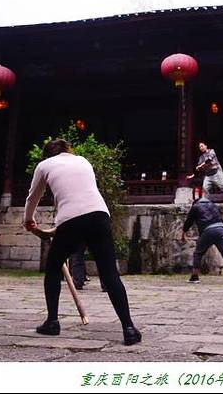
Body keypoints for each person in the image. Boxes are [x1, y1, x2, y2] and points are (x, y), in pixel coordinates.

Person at [24, 139, 141, 345]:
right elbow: (80, 196)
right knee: (109, 273)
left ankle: (52, 322)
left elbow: (33, 196)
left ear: (47, 154)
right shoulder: (83, 161)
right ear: (67, 150)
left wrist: (28, 220)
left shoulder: (44, 165)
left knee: (53, 267)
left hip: (70, 220)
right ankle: (129, 328)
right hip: (99, 215)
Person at [181, 196, 223, 285]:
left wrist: (183, 232)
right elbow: (220, 219)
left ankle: (195, 276)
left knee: (198, 253)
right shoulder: (213, 206)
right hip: (220, 230)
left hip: (207, 231)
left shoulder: (195, 207)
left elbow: (189, 221)